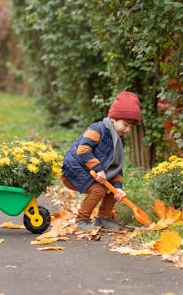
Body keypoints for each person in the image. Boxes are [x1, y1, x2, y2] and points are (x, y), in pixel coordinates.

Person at [61, 91, 142, 230]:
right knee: (99, 190)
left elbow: (116, 166)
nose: (128, 129)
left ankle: (103, 218)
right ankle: (81, 220)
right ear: (114, 118)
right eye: (125, 125)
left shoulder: (119, 141)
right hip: (74, 170)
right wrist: (98, 168)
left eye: (131, 127)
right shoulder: (98, 129)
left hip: (92, 173)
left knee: (112, 191)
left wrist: (118, 187)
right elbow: (83, 150)